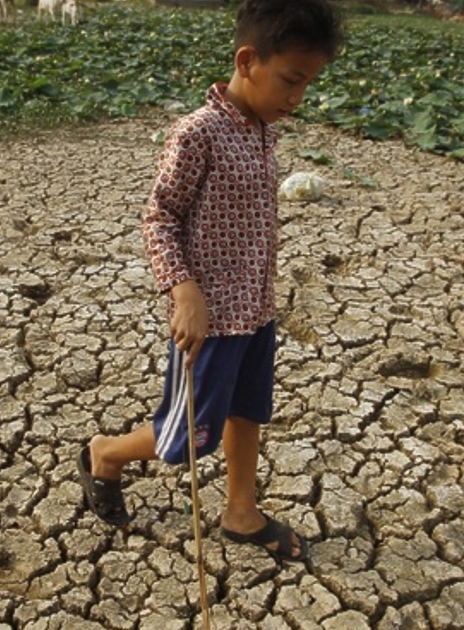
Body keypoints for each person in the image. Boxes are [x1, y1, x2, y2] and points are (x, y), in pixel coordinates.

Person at [77, 0, 343, 563]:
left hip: (256, 310)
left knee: (248, 411)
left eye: (307, 85)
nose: (297, 98)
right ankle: (106, 453)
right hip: (211, 319)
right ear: (248, 61)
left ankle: (241, 512)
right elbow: (160, 216)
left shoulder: (262, 132)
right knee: (187, 438)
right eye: (290, 81)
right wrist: (183, 289)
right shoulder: (198, 133)